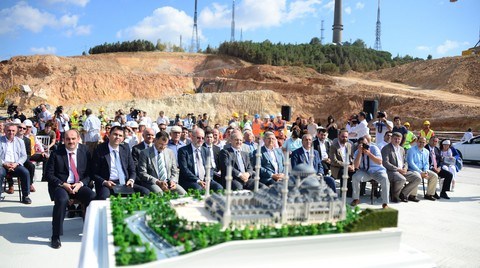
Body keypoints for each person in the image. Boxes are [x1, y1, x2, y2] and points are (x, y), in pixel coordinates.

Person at [45, 130, 95, 249]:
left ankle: (90, 231)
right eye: (68, 139)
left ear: (78, 139)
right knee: (62, 200)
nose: (71, 141)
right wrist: (63, 184)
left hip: (79, 184)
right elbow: (49, 174)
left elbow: (91, 173)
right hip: (62, 185)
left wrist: (81, 183)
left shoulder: (85, 151)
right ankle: (55, 236)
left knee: (92, 197)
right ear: (63, 140)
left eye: (73, 139)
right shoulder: (56, 153)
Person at [92, 126, 150, 200]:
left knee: (146, 192)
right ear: (109, 135)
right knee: (103, 198)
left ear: (123, 138)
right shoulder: (99, 149)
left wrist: (131, 180)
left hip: (125, 183)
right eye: (115, 134)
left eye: (120, 135)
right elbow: (93, 173)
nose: (117, 137)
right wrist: (105, 182)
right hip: (108, 183)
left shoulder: (125, 148)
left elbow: (132, 169)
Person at [137, 131, 186, 195]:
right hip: (153, 182)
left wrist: (173, 181)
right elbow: (142, 173)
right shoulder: (145, 153)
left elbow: (175, 170)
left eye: (165, 145)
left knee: (183, 194)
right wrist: (157, 182)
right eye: (161, 144)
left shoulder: (170, 152)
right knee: (160, 194)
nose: (163, 147)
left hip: (168, 182)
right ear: (155, 140)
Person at [350, 136, 389, 209]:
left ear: (368, 143)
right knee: (355, 177)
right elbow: (356, 166)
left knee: (385, 179)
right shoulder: (357, 152)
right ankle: (356, 199)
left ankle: (385, 203)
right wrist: (359, 153)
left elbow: (379, 161)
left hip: (377, 171)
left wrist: (369, 154)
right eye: (361, 144)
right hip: (365, 172)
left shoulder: (374, 148)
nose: (364, 146)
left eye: (365, 144)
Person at [382, 132, 422, 203]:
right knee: (402, 179)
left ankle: (403, 194)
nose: (397, 141)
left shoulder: (401, 149)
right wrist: (398, 169)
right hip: (391, 171)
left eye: (399, 139)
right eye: (395, 139)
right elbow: (385, 163)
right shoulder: (386, 148)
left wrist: (405, 168)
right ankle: (395, 196)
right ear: (391, 139)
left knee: (417, 178)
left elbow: (405, 161)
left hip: (402, 171)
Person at [0, 123, 31, 204]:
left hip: (16, 164)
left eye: (13, 130)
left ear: (16, 131)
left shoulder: (20, 141)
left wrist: (16, 163)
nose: (11, 132)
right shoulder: (0, 140)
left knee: (25, 172)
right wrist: (4, 164)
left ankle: (26, 196)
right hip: (2, 165)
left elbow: (24, 155)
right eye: (9, 130)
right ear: (5, 131)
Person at [329, 129, 355, 197]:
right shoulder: (334, 146)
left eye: (346, 137)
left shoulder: (349, 145)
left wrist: (352, 165)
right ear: (338, 136)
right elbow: (334, 161)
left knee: (357, 172)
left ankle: (356, 192)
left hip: (348, 166)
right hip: (337, 168)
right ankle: (344, 193)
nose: (344, 138)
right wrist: (346, 166)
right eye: (343, 137)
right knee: (344, 172)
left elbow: (352, 157)